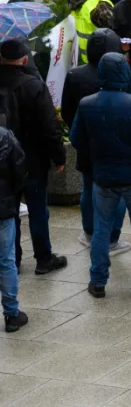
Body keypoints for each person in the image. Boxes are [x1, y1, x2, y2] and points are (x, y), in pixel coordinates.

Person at [69, 53, 131, 300]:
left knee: (101, 228)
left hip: (103, 177)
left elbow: (75, 139)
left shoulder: (87, 104)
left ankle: (97, 281)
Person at [0, 38, 65, 275]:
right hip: (32, 160)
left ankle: (11, 259)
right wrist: (58, 156)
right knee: (38, 209)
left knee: (9, 212)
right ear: (25, 60)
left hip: (3, 161)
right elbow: (49, 126)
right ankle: (43, 258)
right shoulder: (34, 85)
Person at [0, 109, 25, 330]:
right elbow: (19, 171)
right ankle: (11, 314)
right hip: (3, 208)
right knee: (6, 261)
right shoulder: (5, 136)